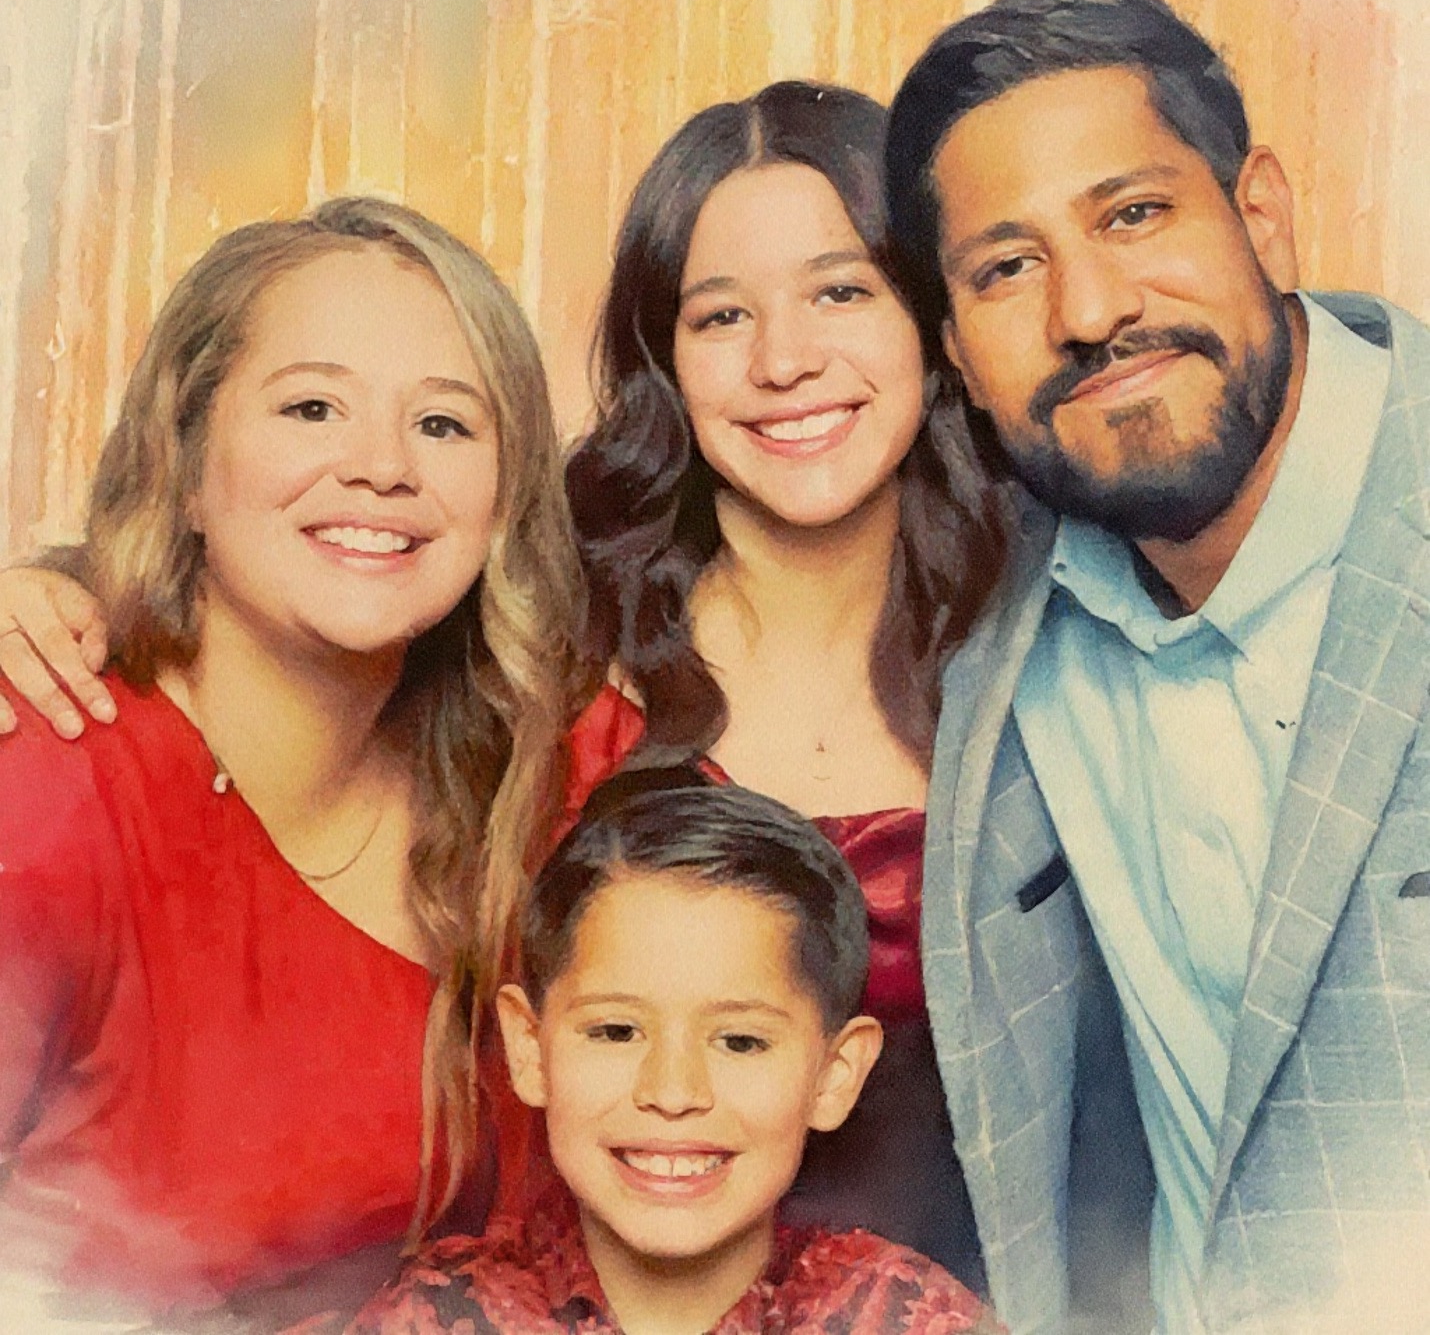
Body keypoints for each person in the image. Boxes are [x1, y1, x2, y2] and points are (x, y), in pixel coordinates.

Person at [882, 0, 1430, 1334]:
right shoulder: (1007, 644)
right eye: (1004, 268)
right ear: (954, 349)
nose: (1088, 308)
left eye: (1132, 214)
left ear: (1260, 213)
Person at [0, 197, 580, 1329]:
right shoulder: (49, 774)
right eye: (312, 406)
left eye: (446, 425)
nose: (380, 468)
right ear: (182, 462)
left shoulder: (530, 777)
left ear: (504, 497)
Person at [558, 80, 1001, 1289]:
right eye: (719, 316)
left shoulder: (1056, 649)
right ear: (665, 358)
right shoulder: (548, 644)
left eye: (840, 290)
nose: (784, 360)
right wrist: (67, 593)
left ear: (931, 319)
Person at [344, 770, 1002, 1335]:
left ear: (834, 1075)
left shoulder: (904, 1317)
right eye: (616, 1032)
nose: (673, 1090)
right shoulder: (437, 1317)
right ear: (530, 1048)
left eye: (740, 1041)